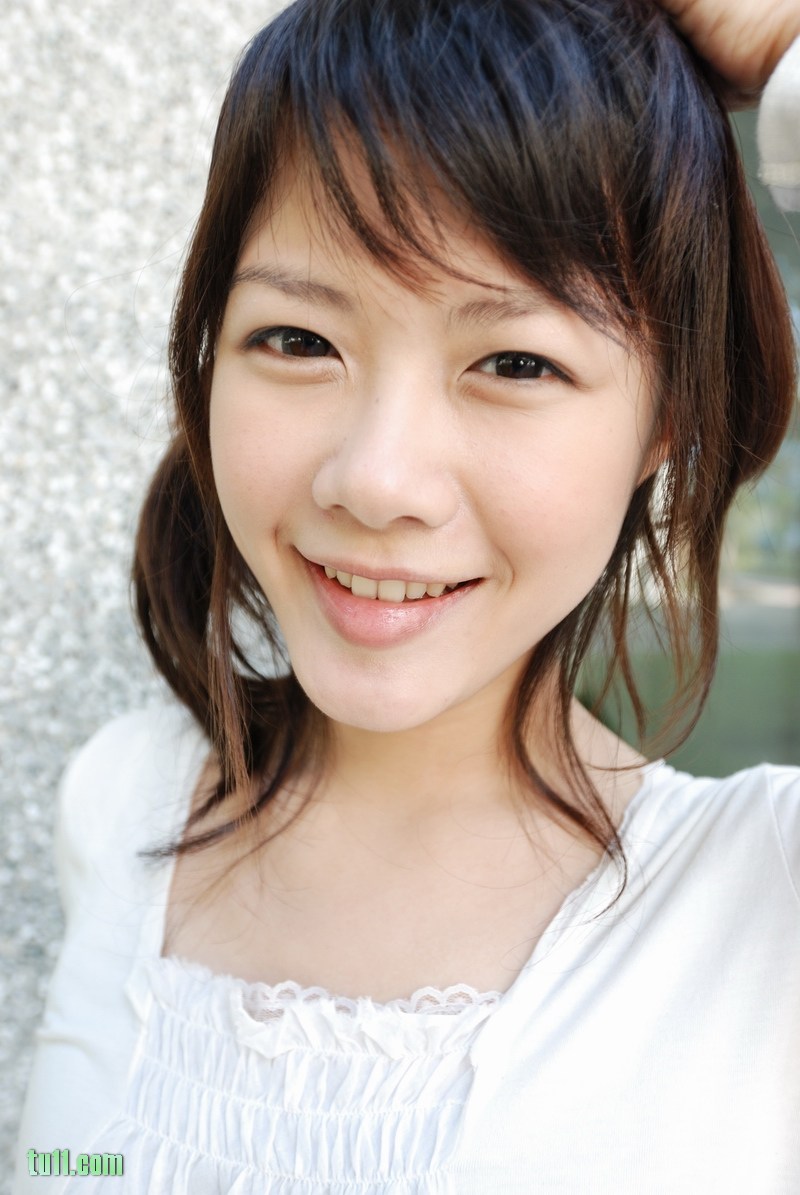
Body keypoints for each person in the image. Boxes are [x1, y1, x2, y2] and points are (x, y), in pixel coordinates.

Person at [13, 0, 800, 1190]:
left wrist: (778, 39)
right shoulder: (120, 802)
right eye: (297, 340)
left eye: (514, 362)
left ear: (663, 421)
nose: (375, 479)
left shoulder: (758, 905)